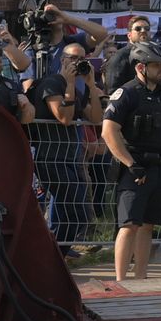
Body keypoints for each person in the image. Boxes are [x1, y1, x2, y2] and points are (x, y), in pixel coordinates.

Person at [100, 42, 161, 280]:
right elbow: (108, 131)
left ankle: (140, 278)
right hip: (135, 170)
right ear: (141, 67)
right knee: (129, 225)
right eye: (157, 65)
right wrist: (130, 163)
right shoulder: (127, 93)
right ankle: (121, 280)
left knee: (148, 225)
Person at [29, 43, 102, 245]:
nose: (77, 63)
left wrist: (91, 85)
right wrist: (69, 84)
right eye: (73, 59)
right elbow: (64, 118)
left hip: (70, 158)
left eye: (82, 59)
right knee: (73, 210)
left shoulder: (76, 90)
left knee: (70, 213)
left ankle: (56, 252)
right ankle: (53, 251)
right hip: (50, 157)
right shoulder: (51, 84)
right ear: (62, 60)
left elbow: (96, 117)